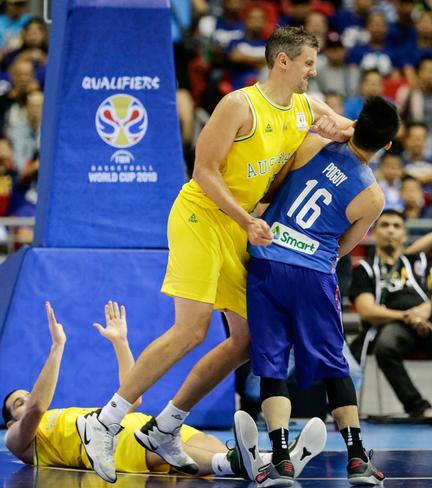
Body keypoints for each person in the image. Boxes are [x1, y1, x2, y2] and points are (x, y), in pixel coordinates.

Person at [78, 26, 353, 484]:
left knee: (247, 340)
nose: (313, 70)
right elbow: (203, 171)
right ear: (282, 61)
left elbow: (347, 128)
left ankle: (165, 426)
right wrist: (246, 221)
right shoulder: (239, 105)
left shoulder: (304, 107)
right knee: (192, 329)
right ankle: (102, 422)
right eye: (307, 62)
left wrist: (356, 132)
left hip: (237, 226)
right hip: (200, 216)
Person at [238, 97, 400, 486]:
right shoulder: (373, 197)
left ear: (356, 123)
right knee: (333, 365)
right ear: (388, 145)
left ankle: (279, 458)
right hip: (313, 273)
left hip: (268, 259)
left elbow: (272, 188)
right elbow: (344, 246)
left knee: (271, 361)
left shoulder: (311, 143)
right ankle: (357, 458)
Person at [2, 302, 326, 480]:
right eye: (17, 401)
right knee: (198, 457)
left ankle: (276, 461)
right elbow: (36, 408)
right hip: (118, 447)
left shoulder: (66, 414)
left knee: (208, 444)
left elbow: (134, 396)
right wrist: (58, 347)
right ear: (9, 421)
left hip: (141, 421)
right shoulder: (20, 438)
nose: (27, 399)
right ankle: (259, 462)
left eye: (25, 394)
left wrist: (121, 343)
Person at [349, 210, 432, 422]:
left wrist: (425, 311)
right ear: (374, 233)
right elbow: (367, 311)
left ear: (404, 234)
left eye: (397, 226)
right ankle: (418, 407)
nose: (390, 230)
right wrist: (408, 317)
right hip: (394, 326)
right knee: (386, 345)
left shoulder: (419, 263)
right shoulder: (365, 269)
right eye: (385, 225)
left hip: (429, 322)